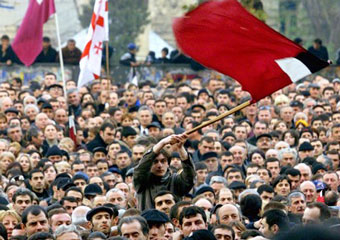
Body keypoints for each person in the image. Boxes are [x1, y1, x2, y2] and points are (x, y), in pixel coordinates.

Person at [133, 133, 195, 210]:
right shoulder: (142, 181)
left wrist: (180, 148)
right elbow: (140, 169)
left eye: (163, 161)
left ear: (168, 163)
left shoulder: (175, 181)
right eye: (155, 162)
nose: (159, 165)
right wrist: (162, 143)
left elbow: (190, 176)